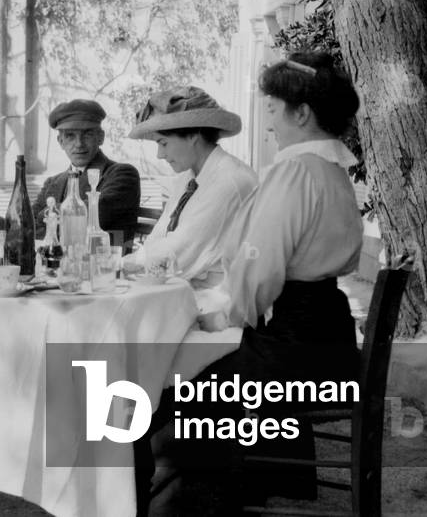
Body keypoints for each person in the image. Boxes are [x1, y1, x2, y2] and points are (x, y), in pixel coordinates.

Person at [135, 52, 364, 514]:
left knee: (176, 383)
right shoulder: (334, 171)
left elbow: (260, 271)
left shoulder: (296, 171)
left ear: (302, 113)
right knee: (188, 363)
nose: (270, 123)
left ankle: (192, 498)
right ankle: (225, 485)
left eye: (275, 110)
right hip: (325, 337)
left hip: (294, 348)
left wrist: (228, 314)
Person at [125, 86, 256, 294]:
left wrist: (119, 264)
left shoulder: (230, 180)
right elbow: (158, 238)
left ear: (193, 135)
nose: (159, 154)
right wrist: (127, 263)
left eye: (163, 143)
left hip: (222, 303)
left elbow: (180, 251)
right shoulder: (189, 178)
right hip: (185, 293)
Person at [32, 99, 141, 250]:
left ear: (101, 137)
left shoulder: (122, 174)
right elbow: (30, 225)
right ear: (60, 141)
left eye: (87, 134)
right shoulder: (53, 182)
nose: (79, 144)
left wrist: (47, 216)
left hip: (106, 268)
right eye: (70, 136)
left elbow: (91, 217)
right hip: (55, 267)